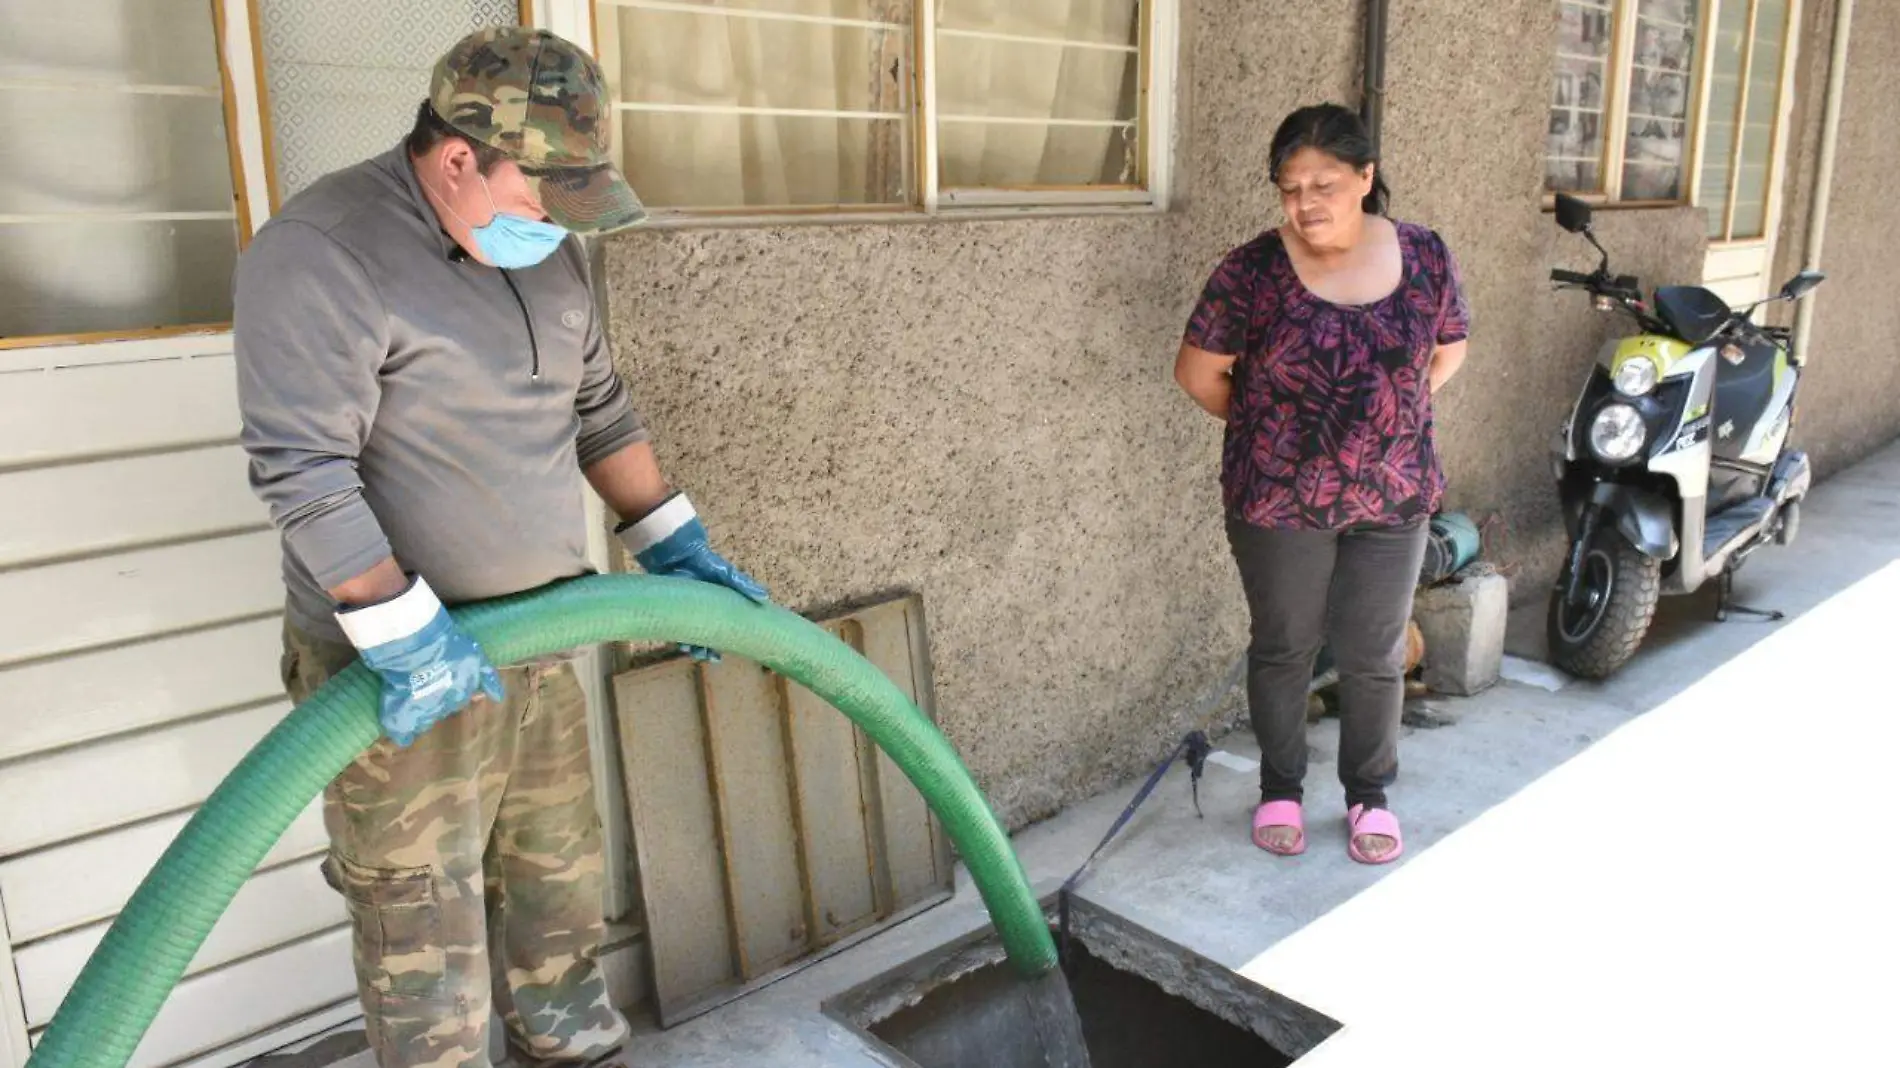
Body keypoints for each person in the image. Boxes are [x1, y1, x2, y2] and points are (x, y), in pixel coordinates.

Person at [233, 26, 766, 1068]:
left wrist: (676, 548)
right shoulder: (321, 253)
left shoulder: (546, 249)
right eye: (539, 197)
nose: (554, 225)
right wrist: (409, 637)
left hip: (540, 647)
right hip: (393, 672)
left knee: (557, 897)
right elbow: (303, 470)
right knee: (422, 941)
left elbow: (599, 412)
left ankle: (573, 1048)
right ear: (458, 156)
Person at [1172, 104, 1470, 866]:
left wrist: (1387, 421)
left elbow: (1449, 349)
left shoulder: (1426, 255)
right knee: (1284, 648)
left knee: (1374, 653)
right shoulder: (1251, 270)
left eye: (1326, 184)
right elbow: (1199, 373)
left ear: (1366, 178)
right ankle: (1280, 787)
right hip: (1279, 500)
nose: (1307, 203)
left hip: (1393, 496)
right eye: (1290, 187)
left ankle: (1370, 796)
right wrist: (1274, 430)